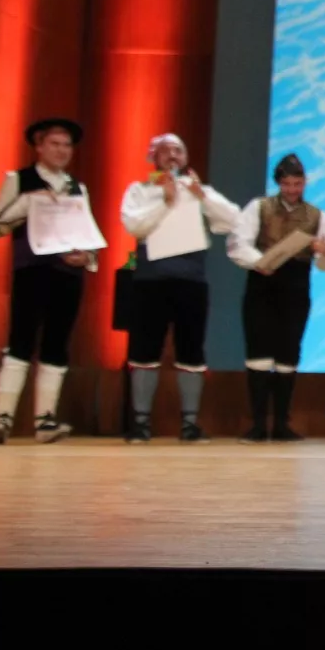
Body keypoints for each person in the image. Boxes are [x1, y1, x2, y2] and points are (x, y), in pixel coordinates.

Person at [119, 132, 242, 443]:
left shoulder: (199, 190)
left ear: (185, 158)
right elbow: (134, 226)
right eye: (165, 151)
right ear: (153, 157)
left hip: (191, 282)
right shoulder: (139, 190)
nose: (172, 156)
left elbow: (233, 220)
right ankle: (141, 423)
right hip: (150, 282)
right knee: (144, 351)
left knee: (191, 351)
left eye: (178, 151)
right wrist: (165, 202)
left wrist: (203, 197)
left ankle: (189, 424)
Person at [0, 117, 98, 444]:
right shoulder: (19, 179)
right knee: (20, 339)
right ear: (39, 146)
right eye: (55, 144)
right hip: (32, 270)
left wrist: (87, 256)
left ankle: (45, 420)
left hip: (68, 274)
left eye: (67, 145)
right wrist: (28, 202)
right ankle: (2, 417)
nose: (62, 151)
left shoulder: (77, 187)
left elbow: (87, 232)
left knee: (57, 342)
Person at [228, 153, 325, 443]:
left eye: (297, 184)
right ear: (279, 183)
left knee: (289, 352)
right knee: (258, 351)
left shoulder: (317, 215)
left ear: (305, 183)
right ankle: (258, 424)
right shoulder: (259, 207)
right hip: (262, 282)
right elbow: (238, 243)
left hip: (296, 286)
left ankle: (281, 424)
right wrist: (258, 262)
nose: (292, 190)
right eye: (287, 184)